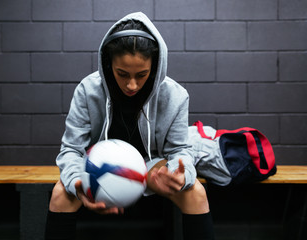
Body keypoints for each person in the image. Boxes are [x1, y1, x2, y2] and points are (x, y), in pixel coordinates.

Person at [45, 12, 215, 240]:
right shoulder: (88, 90)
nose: (132, 84)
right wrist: (77, 184)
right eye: (122, 74)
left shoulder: (175, 95)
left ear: (154, 68)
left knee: (196, 194)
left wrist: (179, 175)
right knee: (60, 194)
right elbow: (71, 150)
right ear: (108, 65)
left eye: (142, 75)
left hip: (152, 169)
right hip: (101, 169)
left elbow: (179, 151)